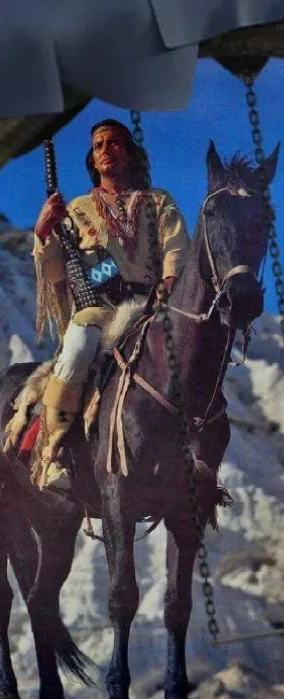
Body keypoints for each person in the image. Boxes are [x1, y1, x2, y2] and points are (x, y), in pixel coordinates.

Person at [31, 118, 189, 491]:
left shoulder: (158, 201)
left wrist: (170, 279)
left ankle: (200, 454)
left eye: (115, 143)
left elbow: (176, 245)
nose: (106, 149)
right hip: (99, 312)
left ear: (131, 153)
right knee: (77, 350)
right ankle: (51, 454)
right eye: (99, 144)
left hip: (152, 308)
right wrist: (43, 230)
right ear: (92, 157)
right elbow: (54, 273)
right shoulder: (77, 209)